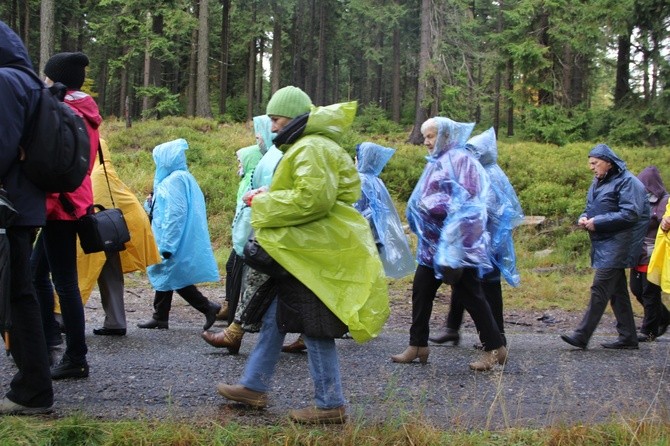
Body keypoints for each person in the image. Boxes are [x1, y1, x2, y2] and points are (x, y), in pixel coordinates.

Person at [215, 86, 389, 424]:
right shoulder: (308, 146)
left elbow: (313, 200)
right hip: (304, 250)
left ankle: (330, 405)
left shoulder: (312, 147)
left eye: (277, 119)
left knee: (313, 326)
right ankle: (254, 386)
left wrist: (263, 202)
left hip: (312, 252)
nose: (274, 127)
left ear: (294, 117)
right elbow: (310, 193)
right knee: (274, 318)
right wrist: (271, 192)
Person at [391, 117, 508, 371]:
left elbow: (470, 202)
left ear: (445, 135)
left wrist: (430, 206)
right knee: (421, 290)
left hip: (454, 247)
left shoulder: (461, 160)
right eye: (425, 137)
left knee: (471, 295)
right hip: (432, 246)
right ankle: (418, 344)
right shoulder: (437, 161)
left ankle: (495, 348)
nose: (426, 142)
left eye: (431, 136)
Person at [31, 51, 101, 379]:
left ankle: (75, 356)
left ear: (55, 78)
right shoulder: (85, 109)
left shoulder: (62, 109)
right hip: (75, 199)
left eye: (47, 76)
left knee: (63, 283)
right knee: (37, 275)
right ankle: (51, 342)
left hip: (60, 204)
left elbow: (51, 158)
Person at [0, 20, 54, 415]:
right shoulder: (31, 81)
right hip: (24, 204)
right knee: (19, 295)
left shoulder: (4, 81)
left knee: (18, 296)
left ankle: (34, 388)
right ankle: (33, 386)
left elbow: (2, 146)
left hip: (8, 206)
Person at [430, 127, 524, 348]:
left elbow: (487, 209)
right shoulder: (485, 171)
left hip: (487, 242)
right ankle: (452, 329)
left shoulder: (489, 174)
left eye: (472, 151)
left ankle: (497, 335)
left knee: (488, 285)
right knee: (463, 280)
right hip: (478, 240)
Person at [561, 144, 649, 350]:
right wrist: (583, 217)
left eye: (595, 163)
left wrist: (598, 222)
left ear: (608, 163)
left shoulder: (628, 182)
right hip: (605, 242)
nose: (591, 167)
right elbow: (592, 207)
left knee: (599, 288)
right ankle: (628, 337)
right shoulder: (599, 181)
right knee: (617, 291)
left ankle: (582, 335)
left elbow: (631, 214)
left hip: (621, 243)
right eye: (590, 163)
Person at [202, 116, 278, 353]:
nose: (259, 138)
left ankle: (235, 332)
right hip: (263, 234)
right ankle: (239, 338)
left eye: (276, 121)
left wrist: (261, 197)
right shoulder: (272, 159)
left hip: (274, 235)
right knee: (267, 288)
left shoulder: (280, 159)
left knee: (259, 282)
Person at [71, 138, 161, 336]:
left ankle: (61, 317)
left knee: (80, 271)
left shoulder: (96, 175)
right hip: (112, 232)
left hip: (95, 234)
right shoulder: (107, 173)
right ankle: (115, 321)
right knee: (110, 273)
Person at [137, 138, 221, 331]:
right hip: (173, 237)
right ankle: (160, 317)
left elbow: (176, 214)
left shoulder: (175, 180)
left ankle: (208, 307)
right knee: (166, 274)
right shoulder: (177, 178)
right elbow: (161, 209)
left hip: (171, 238)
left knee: (172, 274)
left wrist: (168, 244)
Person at [353, 142, 416, 279]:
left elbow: (355, 212)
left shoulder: (359, 180)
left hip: (363, 238)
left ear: (362, 158)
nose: (354, 161)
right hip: (378, 236)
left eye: (356, 157)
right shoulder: (376, 180)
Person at [629, 166, 669, 342]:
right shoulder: (638, 201)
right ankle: (665, 317)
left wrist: (665, 223)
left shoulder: (664, 202)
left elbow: (664, 222)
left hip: (653, 254)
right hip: (638, 253)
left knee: (649, 292)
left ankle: (649, 330)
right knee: (636, 289)